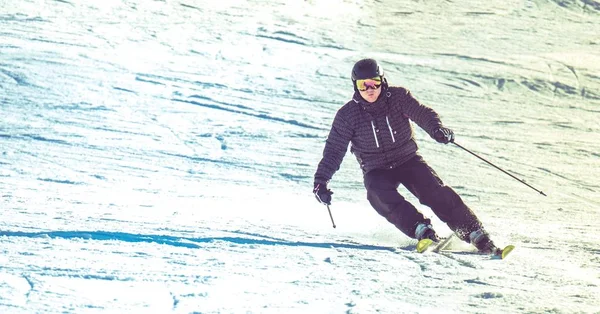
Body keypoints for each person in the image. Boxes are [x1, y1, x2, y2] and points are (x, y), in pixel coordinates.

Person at [312, 58, 500, 254]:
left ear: (382, 81)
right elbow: (334, 149)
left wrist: (437, 129)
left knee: (434, 191)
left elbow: (422, 113)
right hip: (376, 168)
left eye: (374, 82)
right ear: (356, 86)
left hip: (407, 159)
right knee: (377, 193)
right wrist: (321, 181)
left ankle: (474, 233)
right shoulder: (348, 115)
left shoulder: (398, 98)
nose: (370, 89)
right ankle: (421, 229)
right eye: (363, 85)